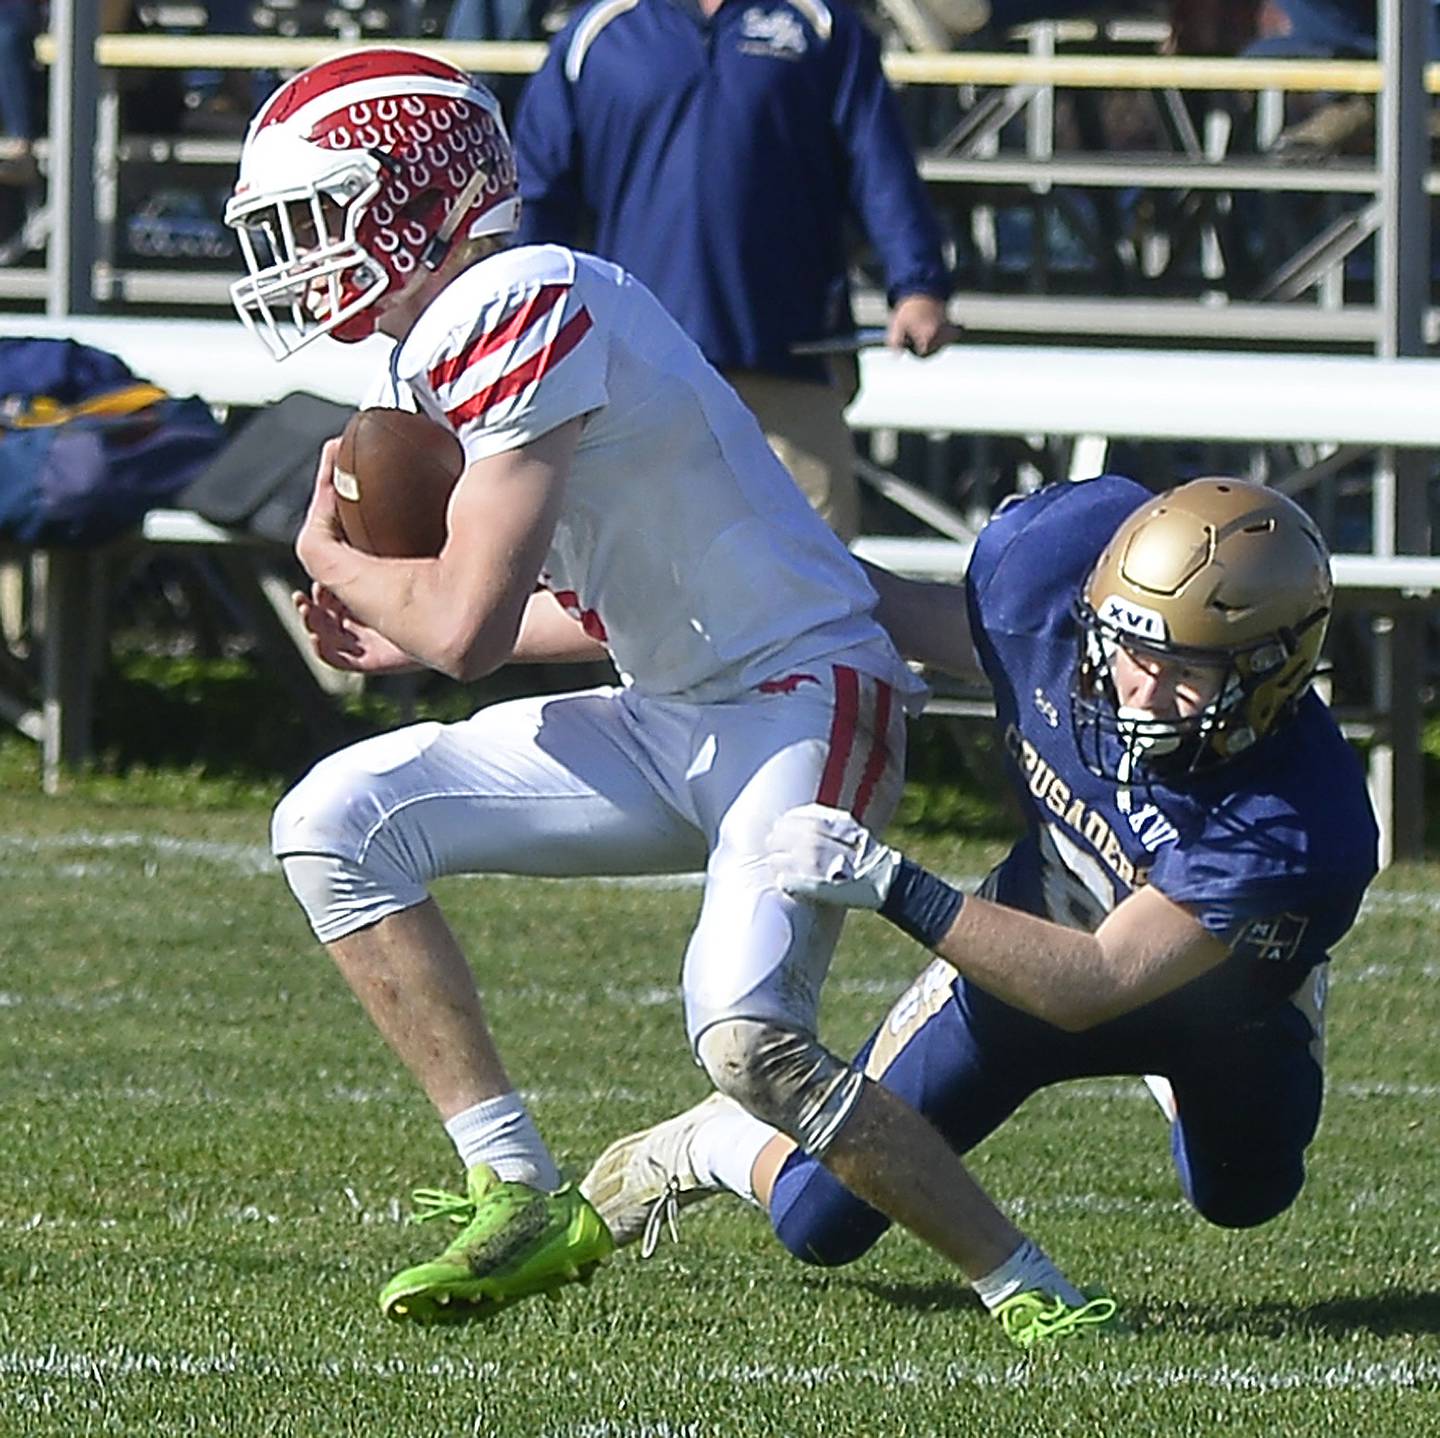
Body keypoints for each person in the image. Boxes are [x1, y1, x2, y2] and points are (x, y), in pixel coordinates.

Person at [222, 48, 1102, 1342]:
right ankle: (518, 1187)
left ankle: (1033, 1287)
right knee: (334, 817)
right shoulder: (437, 359)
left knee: (747, 1037)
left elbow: (463, 621)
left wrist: (337, 562)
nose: (296, 257)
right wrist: (398, 636)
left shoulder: (520, 294)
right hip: (672, 704)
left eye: (313, 218)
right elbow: (592, 598)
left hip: (804, 697)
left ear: (417, 196)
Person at [581, 475, 1380, 1322]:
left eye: (1184, 671)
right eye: (1132, 652)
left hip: (1217, 1002)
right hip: (1036, 931)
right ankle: (710, 1139)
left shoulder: (1297, 820)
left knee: (1244, 1197)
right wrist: (728, 558)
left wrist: (894, 883)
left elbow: (1094, 983)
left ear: (1273, 667)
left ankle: (1205, 1056)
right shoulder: (1048, 577)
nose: (1140, 690)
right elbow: (903, 611)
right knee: (819, 1220)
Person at [509, 0, 957, 542]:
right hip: (634, 372)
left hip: (789, 362)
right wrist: (526, 314)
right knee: (635, 578)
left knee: (819, 581)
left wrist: (918, 285)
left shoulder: (819, 24)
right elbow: (537, 191)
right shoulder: (599, 34)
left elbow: (878, 163)